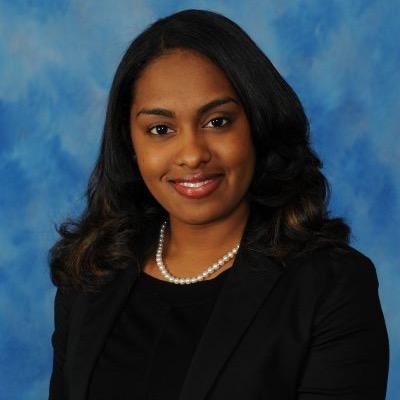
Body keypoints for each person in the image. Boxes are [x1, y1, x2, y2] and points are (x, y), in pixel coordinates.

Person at [48, 9, 389, 400]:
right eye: (161, 129)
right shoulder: (91, 271)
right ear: (131, 144)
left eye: (218, 122)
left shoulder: (331, 287)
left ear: (258, 125)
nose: (192, 154)